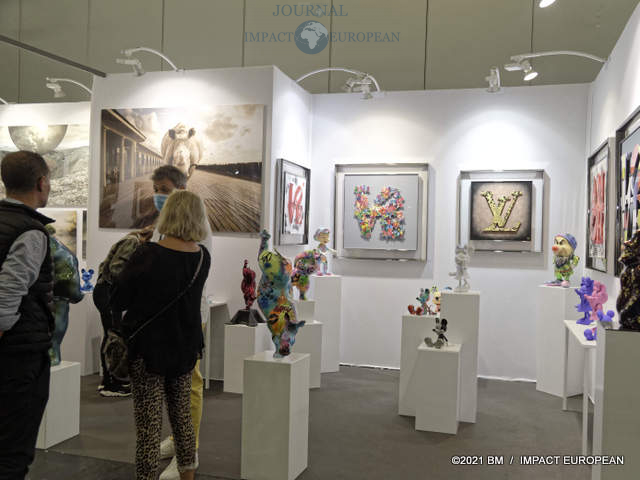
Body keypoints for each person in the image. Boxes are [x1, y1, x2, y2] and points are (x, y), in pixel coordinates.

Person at [111, 190, 210, 480]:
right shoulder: (202, 257)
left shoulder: (147, 254)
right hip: (185, 347)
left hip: (149, 350)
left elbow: (119, 299)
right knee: (182, 419)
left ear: (168, 214)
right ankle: (187, 476)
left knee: (149, 427)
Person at [147, 165, 211, 480]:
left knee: (189, 385)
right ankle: (178, 440)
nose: (159, 195)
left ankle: (189, 450)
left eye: (164, 189)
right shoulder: (164, 224)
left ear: (181, 188)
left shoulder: (198, 226)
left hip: (188, 318)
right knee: (174, 386)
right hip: (166, 320)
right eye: (156, 190)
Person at [0, 151, 54, 479]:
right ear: (41, 183)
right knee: (12, 452)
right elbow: (6, 297)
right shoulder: (30, 231)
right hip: (17, 356)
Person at [94, 225, 154, 397]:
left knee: (112, 335)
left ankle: (111, 379)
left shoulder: (130, 240)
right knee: (113, 337)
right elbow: (116, 269)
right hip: (108, 293)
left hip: (107, 292)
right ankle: (111, 383)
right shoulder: (132, 242)